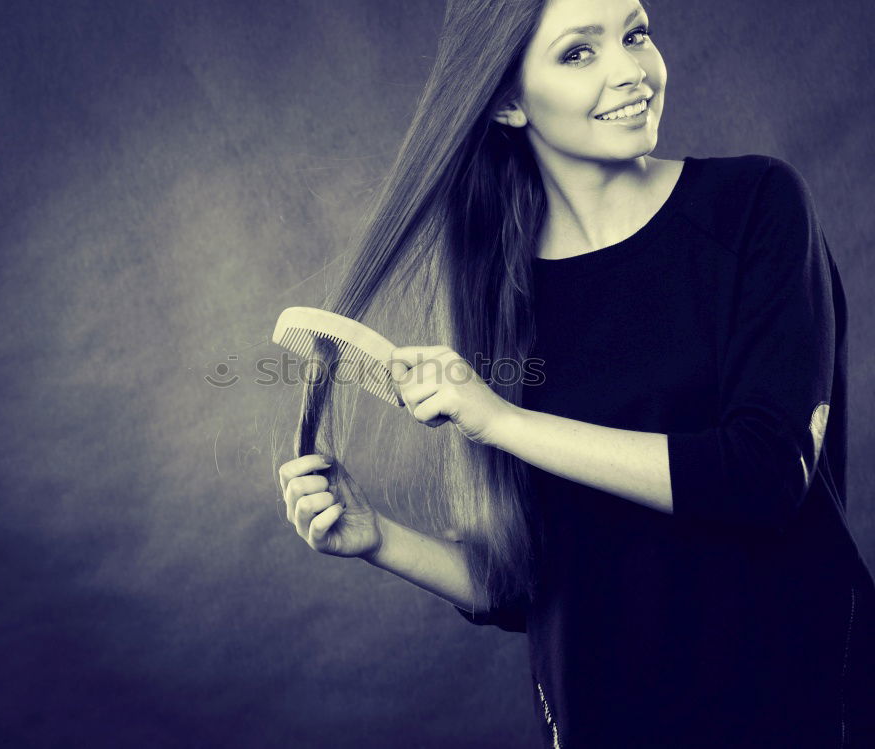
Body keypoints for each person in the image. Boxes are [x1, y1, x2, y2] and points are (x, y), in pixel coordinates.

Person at [276, 0, 875, 746]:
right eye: (579, 53)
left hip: (794, 707)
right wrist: (378, 539)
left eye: (635, 34)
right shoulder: (501, 293)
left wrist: (502, 419)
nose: (632, 70)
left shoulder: (754, 205)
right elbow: (539, 581)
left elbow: (764, 475)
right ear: (506, 101)